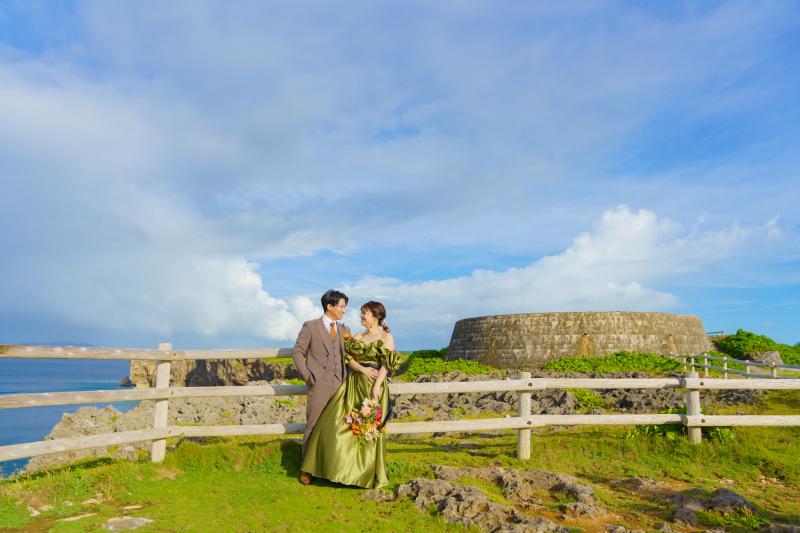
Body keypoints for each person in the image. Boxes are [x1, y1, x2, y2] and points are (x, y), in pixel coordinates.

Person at [300, 300, 401, 489]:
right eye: (362, 312)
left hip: (374, 386)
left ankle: (364, 474)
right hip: (354, 384)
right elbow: (349, 360)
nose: (360, 316)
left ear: (376, 317)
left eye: (364, 313)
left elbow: (386, 364)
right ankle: (331, 468)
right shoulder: (358, 336)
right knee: (334, 424)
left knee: (368, 428)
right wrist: (362, 369)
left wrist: (377, 386)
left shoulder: (386, 337)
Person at [292, 289, 351, 485]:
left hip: (340, 384)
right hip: (318, 384)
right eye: (341, 306)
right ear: (329, 306)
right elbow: (297, 351)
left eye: (344, 307)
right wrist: (308, 376)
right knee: (313, 425)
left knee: (337, 426)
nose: (344, 310)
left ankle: (333, 468)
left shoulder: (345, 330)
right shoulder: (310, 326)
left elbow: (351, 357)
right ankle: (307, 469)